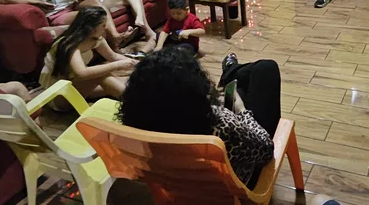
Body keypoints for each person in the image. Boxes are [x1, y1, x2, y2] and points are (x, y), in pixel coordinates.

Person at [118, 48, 281, 188]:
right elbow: (266, 149)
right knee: (266, 70)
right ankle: (230, 72)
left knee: (244, 87)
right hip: (234, 187)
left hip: (183, 187)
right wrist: (242, 111)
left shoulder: (139, 126)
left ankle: (231, 71)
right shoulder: (219, 123)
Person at [38, 7, 135, 99]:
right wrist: (117, 65)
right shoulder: (70, 44)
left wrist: (138, 63)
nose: (106, 28)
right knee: (101, 75)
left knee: (126, 80)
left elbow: (113, 56)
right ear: (91, 28)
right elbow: (82, 73)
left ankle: (140, 98)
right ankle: (137, 106)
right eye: (103, 25)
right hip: (57, 93)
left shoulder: (96, 39)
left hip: (76, 85)